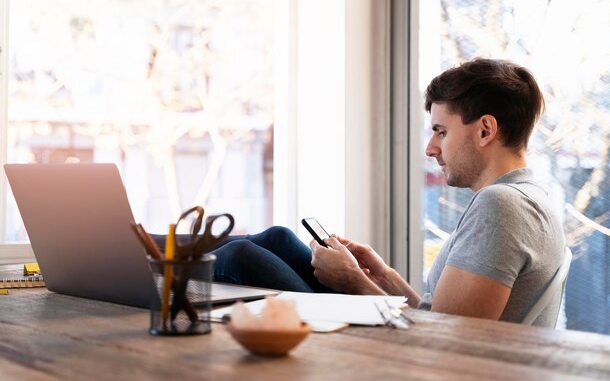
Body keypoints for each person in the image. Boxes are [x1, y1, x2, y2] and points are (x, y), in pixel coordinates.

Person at [158, 58, 565, 326]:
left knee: (242, 256)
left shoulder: (501, 206)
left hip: (413, 359)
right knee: (279, 238)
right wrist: (384, 277)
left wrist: (354, 280)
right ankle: (153, 249)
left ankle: (143, 263)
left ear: (485, 130)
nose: (431, 147)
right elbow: (434, 315)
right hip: (418, 340)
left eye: (441, 130)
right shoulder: (529, 197)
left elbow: (446, 340)